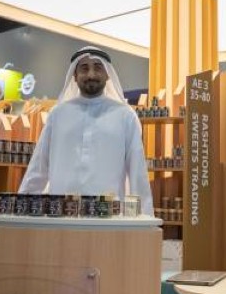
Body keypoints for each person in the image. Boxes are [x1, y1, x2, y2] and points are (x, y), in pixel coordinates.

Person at [19, 46, 153, 214]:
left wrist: (144, 218)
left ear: (107, 74)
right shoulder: (58, 114)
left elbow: (137, 172)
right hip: (61, 215)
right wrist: (22, 209)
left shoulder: (125, 116)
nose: (91, 74)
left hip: (108, 218)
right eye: (84, 68)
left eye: (98, 67)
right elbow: (39, 167)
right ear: (74, 76)